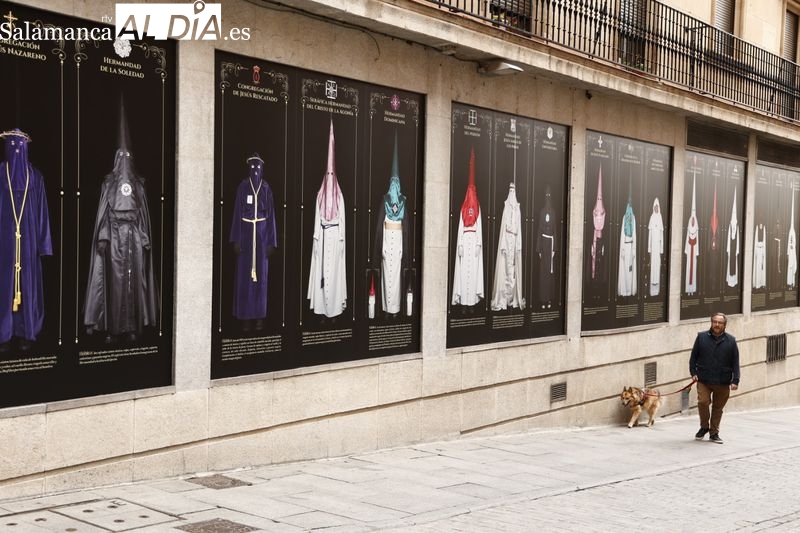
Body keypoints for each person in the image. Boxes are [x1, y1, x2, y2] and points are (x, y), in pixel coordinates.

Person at [230, 153, 277, 331]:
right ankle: (245, 318)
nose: (255, 171)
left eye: (258, 167)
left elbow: (271, 217)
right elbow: (236, 213)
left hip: (262, 237)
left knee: (261, 281)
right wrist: (236, 239)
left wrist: (271, 242)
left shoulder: (266, 188)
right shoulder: (243, 187)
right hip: (246, 238)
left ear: (262, 169)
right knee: (244, 279)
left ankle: (259, 317)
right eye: (252, 167)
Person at [689, 312, 740, 444]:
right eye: (714, 322)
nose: (717, 325)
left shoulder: (731, 340)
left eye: (720, 323)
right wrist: (693, 372)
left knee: (718, 408)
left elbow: (735, 362)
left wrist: (735, 380)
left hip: (723, 380)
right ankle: (704, 426)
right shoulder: (701, 337)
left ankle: (714, 432)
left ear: (725, 325)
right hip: (704, 379)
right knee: (703, 402)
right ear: (711, 322)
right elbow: (693, 357)